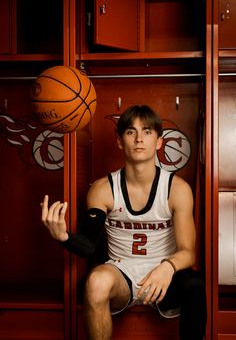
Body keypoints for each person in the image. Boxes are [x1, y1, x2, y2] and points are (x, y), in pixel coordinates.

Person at [41, 105, 207, 340]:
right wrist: (64, 237)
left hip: (163, 275)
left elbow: (188, 253)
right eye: (131, 132)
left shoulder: (176, 189)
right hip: (122, 272)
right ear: (119, 141)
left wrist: (166, 268)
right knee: (95, 281)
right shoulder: (103, 189)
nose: (139, 139)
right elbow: (88, 245)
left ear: (159, 141)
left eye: (147, 132)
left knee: (194, 283)